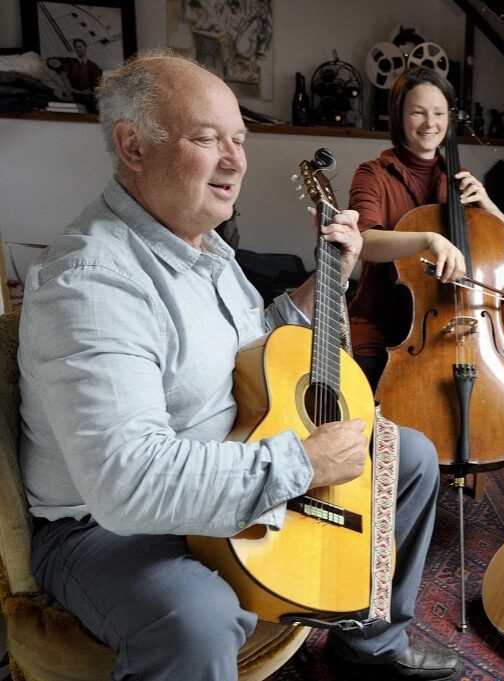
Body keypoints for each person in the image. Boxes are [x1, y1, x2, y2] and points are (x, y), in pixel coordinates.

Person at [18, 50, 461, 681]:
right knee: (196, 614)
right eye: (206, 140)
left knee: (407, 457)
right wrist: (304, 464)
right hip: (108, 529)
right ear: (133, 146)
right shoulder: (91, 282)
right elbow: (127, 483)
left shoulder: (207, 248)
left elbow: (254, 347)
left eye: (239, 140)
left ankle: (371, 647)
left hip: (231, 451)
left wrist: (327, 282)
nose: (235, 161)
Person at [346, 66, 504, 388]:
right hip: (382, 323)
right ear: (399, 116)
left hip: (450, 325)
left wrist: (486, 203)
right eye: (418, 113)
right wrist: (429, 239)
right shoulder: (373, 174)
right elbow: (363, 242)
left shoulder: (459, 179)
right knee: (368, 395)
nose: (430, 124)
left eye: (439, 113)